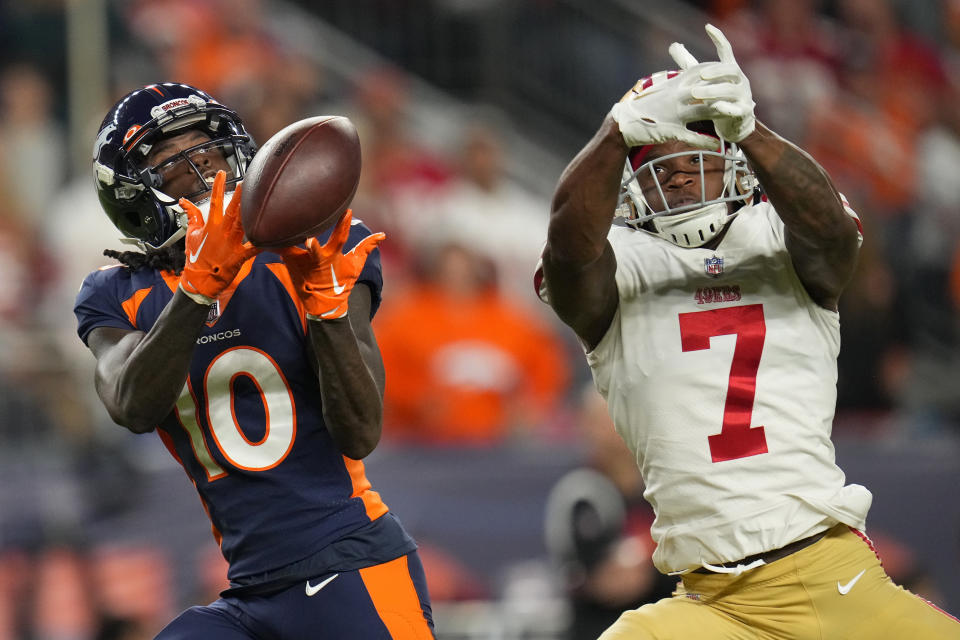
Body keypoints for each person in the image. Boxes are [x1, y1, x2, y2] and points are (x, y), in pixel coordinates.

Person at [537, 24, 960, 638]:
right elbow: (570, 256)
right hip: (711, 603)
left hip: (829, 572)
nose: (679, 176)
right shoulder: (618, 264)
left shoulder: (779, 235)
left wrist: (753, 131)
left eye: (694, 159)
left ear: (733, 163)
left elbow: (834, 237)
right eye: (658, 165)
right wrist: (617, 130)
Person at [74, 83, 434, 639]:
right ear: (131, 195)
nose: (204, 174)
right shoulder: (117, 293)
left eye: (210, 152)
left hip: (351, 562)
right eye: (173, 162)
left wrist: (326, 310)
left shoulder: (308, 252)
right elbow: (132, 403)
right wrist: (196, 291)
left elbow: (361, 430)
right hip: (250, 591)